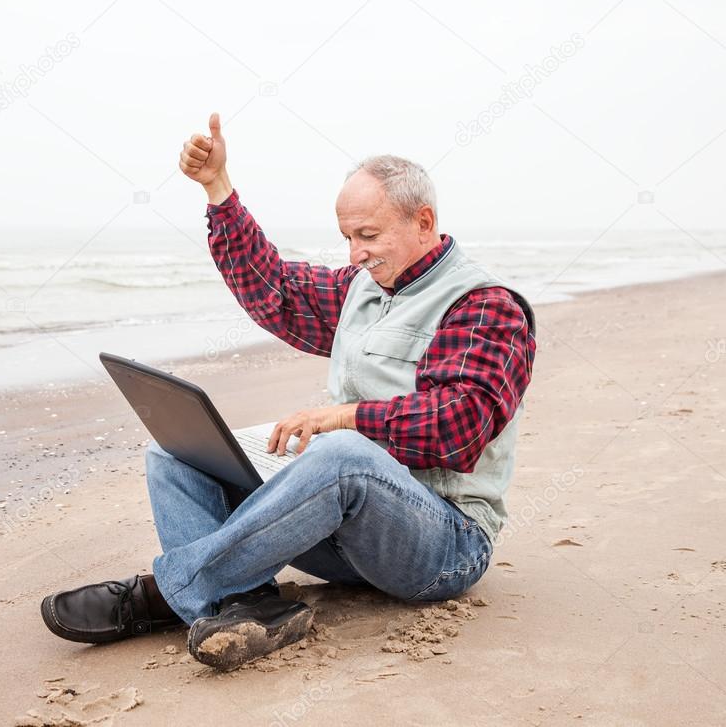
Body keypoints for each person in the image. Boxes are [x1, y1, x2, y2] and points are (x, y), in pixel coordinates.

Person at [41, 112, 536, 671]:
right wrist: (217, 187)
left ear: (423, 221)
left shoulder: (485, 305)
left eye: (368, 236)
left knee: (341, 453)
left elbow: (457, 427)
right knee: (177, 450)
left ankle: (164, 593)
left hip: (441, 545)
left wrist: (344, 417)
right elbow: (271, 286)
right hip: (345, 541)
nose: (354, 254)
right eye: (347, 237)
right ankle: (246, 604)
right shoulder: (364, 287)